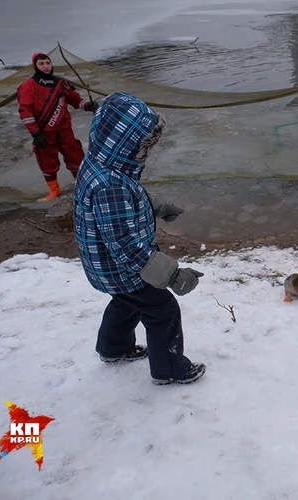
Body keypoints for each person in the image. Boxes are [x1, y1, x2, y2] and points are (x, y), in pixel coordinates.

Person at [74, 92, 206, 385]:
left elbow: (121, 205)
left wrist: (154, 206)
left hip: (104, 266)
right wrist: (171, 275)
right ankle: (169, 370)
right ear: (124, 143)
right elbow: (125, 245)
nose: (145, 150)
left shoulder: (101, 164)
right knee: (162, 310)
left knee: (126, 302)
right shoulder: (110, 183)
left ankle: (113, 348)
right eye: (142, 144)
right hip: (121, 267)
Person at [17, 52, 99, 201]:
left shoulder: (61, 83)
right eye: (41, 64)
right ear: (35, 66)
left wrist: (88, 105)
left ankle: (81, 185)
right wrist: (35, 133)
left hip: (64, 129)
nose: (46, 66)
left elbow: (76, 101)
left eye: (48, 63)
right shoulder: (27, 86)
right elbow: (25, 111)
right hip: (44, 133)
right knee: (47, 161)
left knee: (76, 156)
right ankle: (54, 190)